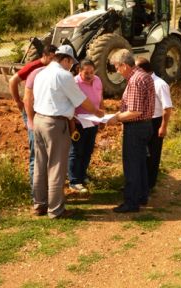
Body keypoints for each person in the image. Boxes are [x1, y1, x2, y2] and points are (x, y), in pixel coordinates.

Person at [32, 45, 104, 219]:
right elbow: (80, 99)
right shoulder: (63, 75)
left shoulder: (41, 73)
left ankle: (39, 204)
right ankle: (56, 210)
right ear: (66, 60)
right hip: (55, 123)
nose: (71, 67)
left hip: (39, 120)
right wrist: (97, 112)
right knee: (57, 166)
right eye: (71, 63)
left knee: (40, 164)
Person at [108, 49, 155, 213]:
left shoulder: (135, 80)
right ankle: (142, 195)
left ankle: (131, 202)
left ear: (124, 65)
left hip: (136, 127)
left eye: (117, 67)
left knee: (132, 165)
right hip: (145, 125)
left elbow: (135, 111)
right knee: (141, 163)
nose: (116, 70)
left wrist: (116, 118)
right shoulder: (143, 75)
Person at [8, 45, 57, 191]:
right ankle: (35, 190)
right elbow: (13, 81)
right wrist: (17, 101)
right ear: (45, 56)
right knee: (36, 149)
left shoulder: (52, 69)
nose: (54, 61)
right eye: (52, 58)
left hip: (44, 111)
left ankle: (46, 186)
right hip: (32, 110)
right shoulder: (35, 67)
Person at [135, 57, 173, 193]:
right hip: (143, 121)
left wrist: (163, 126)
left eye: (135, 69)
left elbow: (167, 108)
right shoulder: (141, 82)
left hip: (155, 122)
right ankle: (140, 182)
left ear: (141, 69)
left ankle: (150, 184)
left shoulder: (160, 84)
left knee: (153, 154)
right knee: (141, 154)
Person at [68, 59, 103, 193]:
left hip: (93, 122)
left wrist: (102, 117)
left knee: (88, 150)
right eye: (86, 73)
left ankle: (82, 175)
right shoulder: (74, 83)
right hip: (79, 123)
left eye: (91, 72)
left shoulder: (98, 80)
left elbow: (100, 98)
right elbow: (70, 104)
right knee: (76, 152)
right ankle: (74, 181)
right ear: (79, 71)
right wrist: (72, 126)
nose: (89, 75)